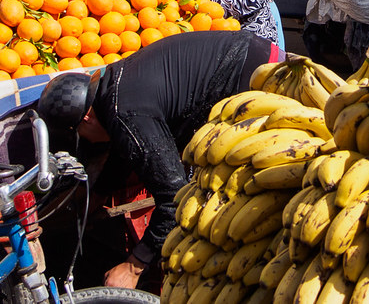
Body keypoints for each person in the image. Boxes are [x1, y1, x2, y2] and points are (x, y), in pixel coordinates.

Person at [36, 29, 284, 290]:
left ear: (86, 117)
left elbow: (175, 196)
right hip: (254, 53)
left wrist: (133, 266)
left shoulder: (124, 112)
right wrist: (97, 194)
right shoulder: (115, 85)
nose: (88, 142)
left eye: (81, 135)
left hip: (256, 80)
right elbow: (128, 150)